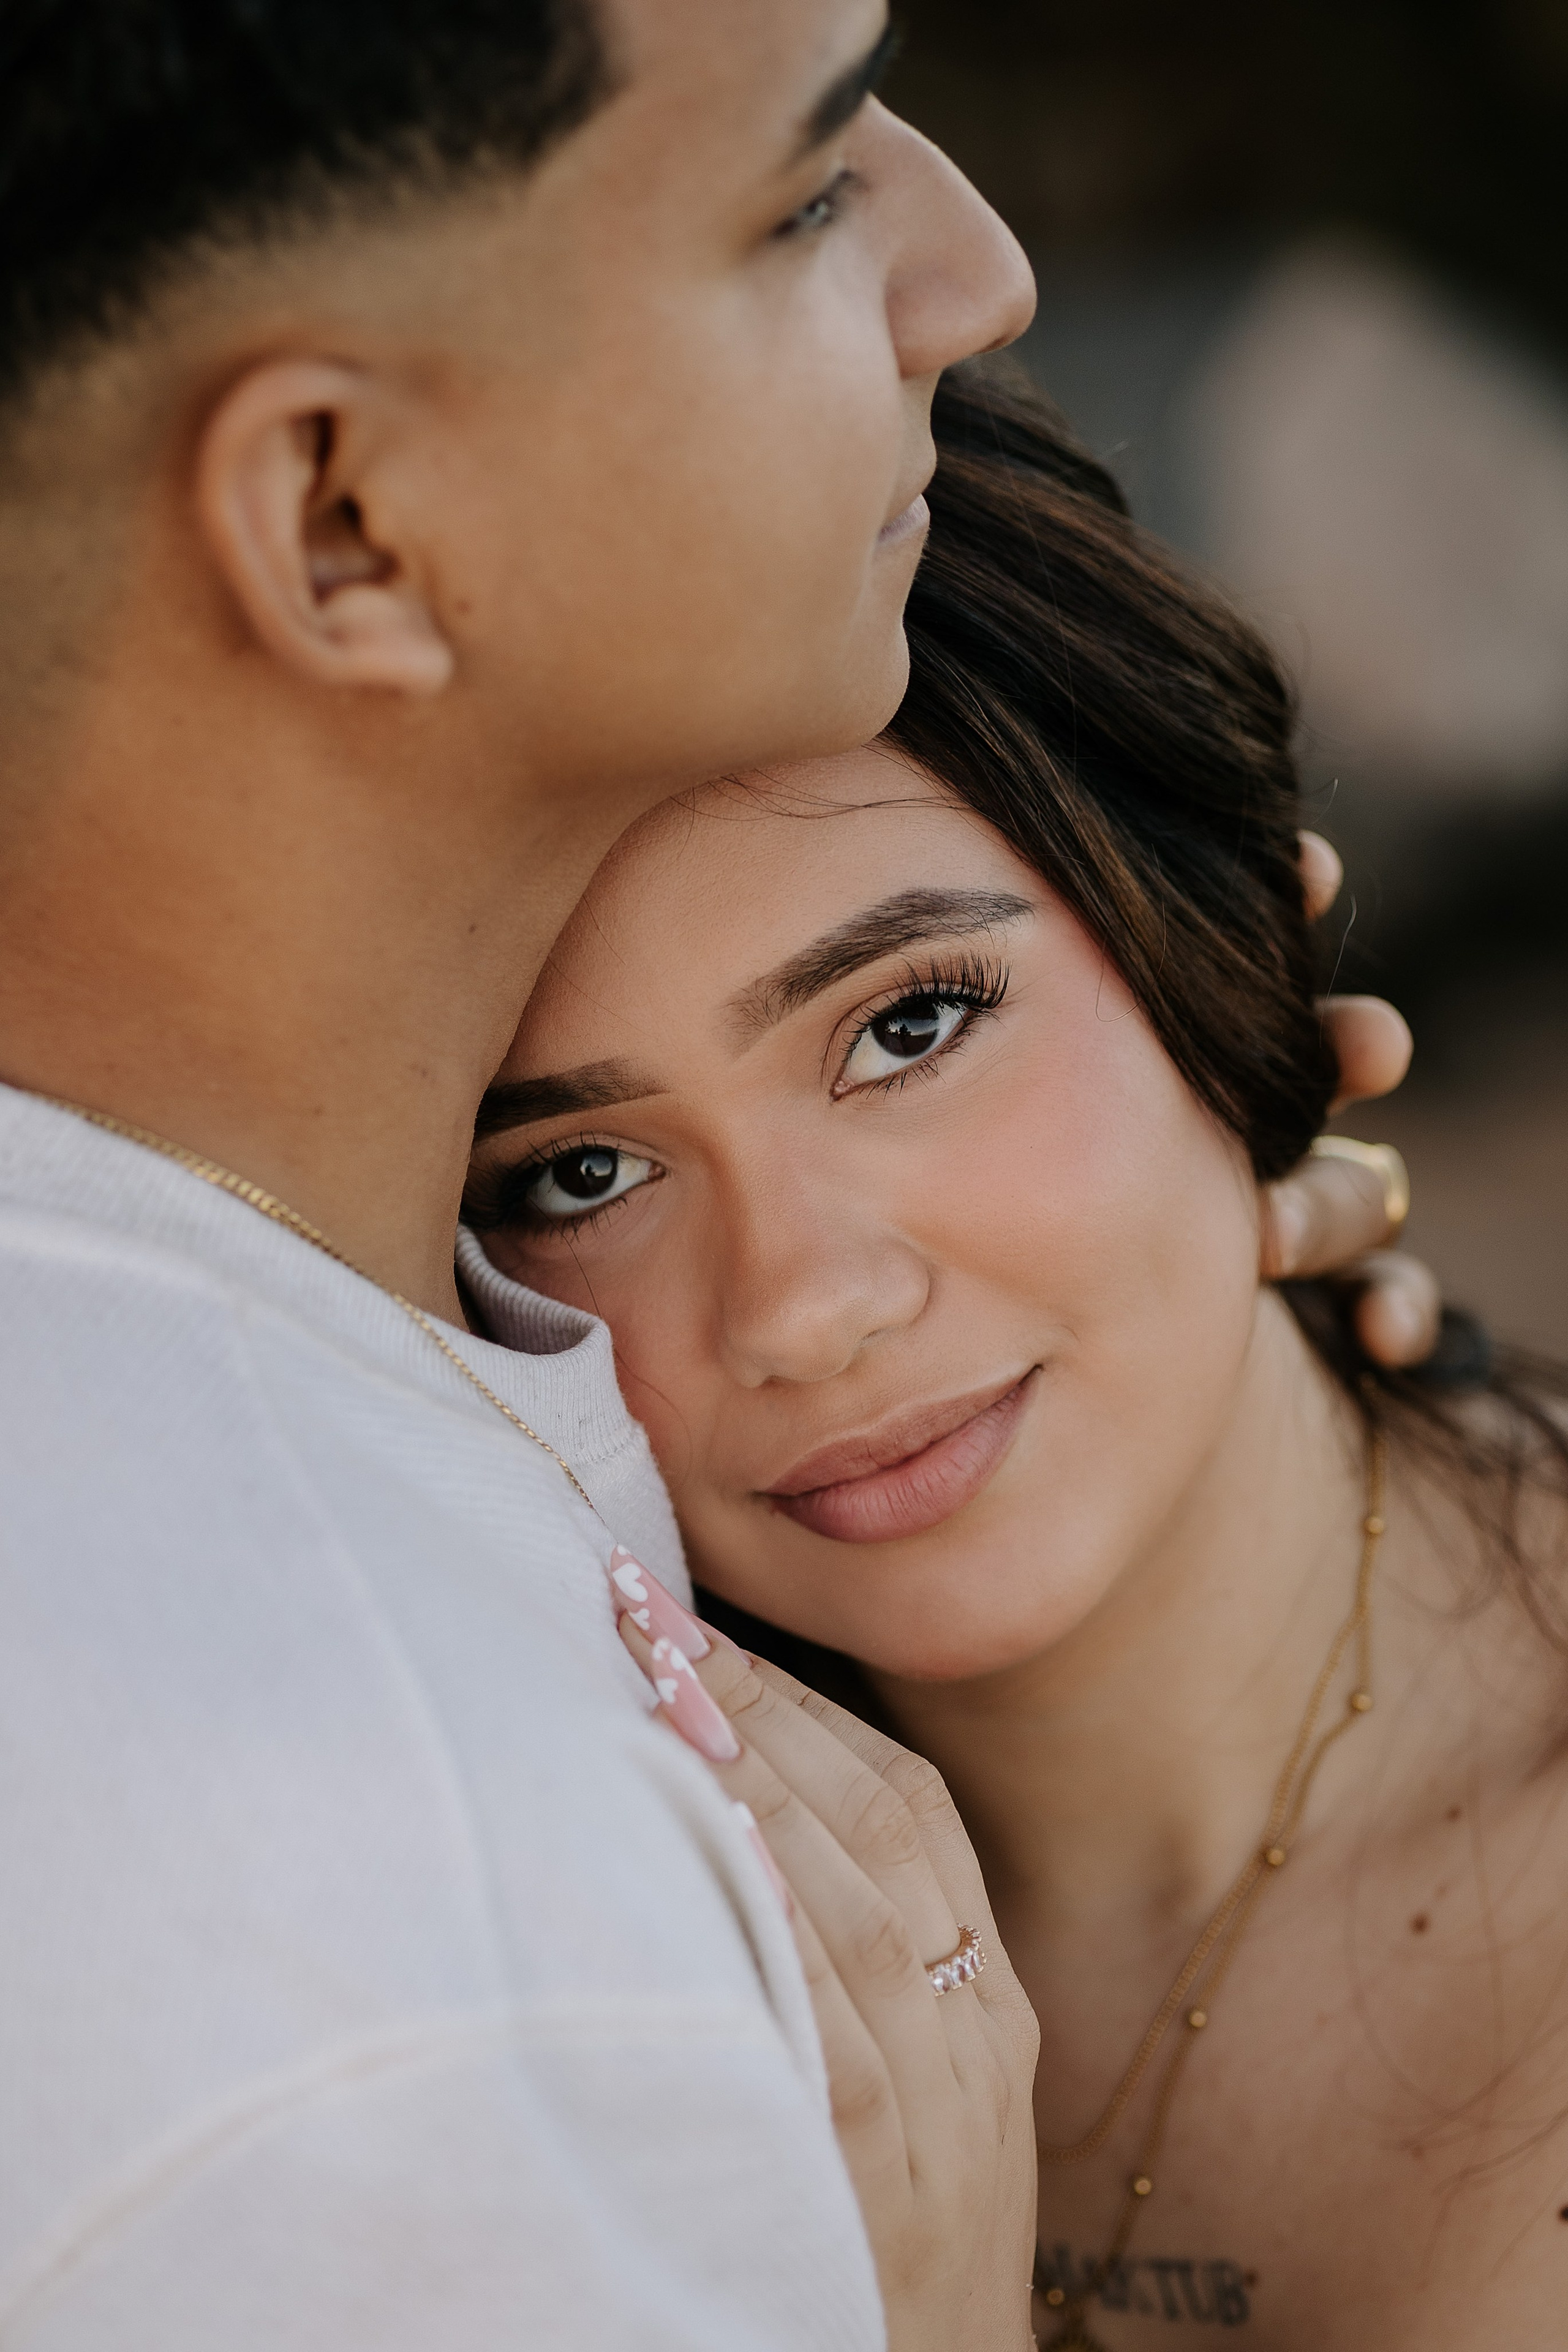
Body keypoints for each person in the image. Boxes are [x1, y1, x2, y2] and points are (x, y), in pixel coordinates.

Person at [0, 4, 1438, 2345]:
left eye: (915, 1025)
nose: (979, 268)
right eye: (796, 190)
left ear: (1237, 938)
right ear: (344, 516)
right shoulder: (447, 2003)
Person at [470, 366, 1568, 2349]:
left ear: (1222, 930)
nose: (802, 1302)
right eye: (585, 1168)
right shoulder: (520, 1909)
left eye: (908, 1028)